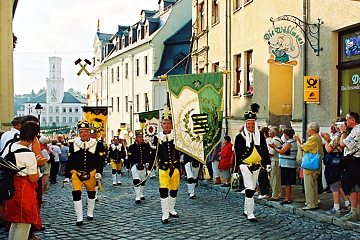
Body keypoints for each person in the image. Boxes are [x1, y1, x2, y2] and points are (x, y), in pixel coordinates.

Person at [4, 121, 41, 240]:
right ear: (34, 137)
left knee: (15, 223)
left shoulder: (11, 146)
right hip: (24, 190)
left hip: (10, 186)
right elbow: (33, 178)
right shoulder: (28, 154)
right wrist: (38, 163)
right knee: (24, 223)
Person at [234, 103, 270, 222]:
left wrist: (267, 163)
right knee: (249, 188)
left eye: (252, 124)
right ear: (245, 124)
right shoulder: (240, 137)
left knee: (252, 188)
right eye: (248, 124)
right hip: (245, 165)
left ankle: (246, 209)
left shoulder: (259, 136)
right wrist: (235, 170)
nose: (250, 126)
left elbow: (264, 150)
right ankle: (251, 213)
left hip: (257, 166)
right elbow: (237, 155)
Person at [63, 120, 104, 226]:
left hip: (91, 173)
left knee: (91, 193)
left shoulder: (97, 144)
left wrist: (99, 172)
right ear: (79, 133)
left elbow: (100, 160)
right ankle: (79, 217)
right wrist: (67, 175)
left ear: (89, 132)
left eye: (86, 131)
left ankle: (90, 213)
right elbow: (70, 160)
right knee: (76, 194)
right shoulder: (73, 144)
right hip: (76, 173)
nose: (84, 133)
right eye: (81, 132)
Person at [154, 109, 181, 224]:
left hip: (175, 167)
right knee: (163, 189)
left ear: (171, 125)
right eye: (164, 123)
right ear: (161, 125)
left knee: (174, 190)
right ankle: (165, 213)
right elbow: (153, 153)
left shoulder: (177, 136)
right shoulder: (157, 138)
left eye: (168, 123)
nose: (166, 125)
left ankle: (171, 209)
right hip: (163, 167)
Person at [320, 120, 351, 216]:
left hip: (334, 161)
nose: (333, 127)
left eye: (335, 125)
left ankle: (336, 206)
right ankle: (347, 202)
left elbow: (329, 149)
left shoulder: (339, 136)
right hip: (335, 160)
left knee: (334, 183)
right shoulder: (340, 135)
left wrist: (326, 140)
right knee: (338, 183)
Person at [294, 122, 324, 210]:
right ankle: (315, 202)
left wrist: (298, 141)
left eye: (308, 129)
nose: (307, 131)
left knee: (309, 185)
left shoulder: (313, 138)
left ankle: (310, 203)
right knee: (314, 184)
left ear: (312, 130)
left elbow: (303, 147)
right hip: (316, 163)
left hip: (310, 164)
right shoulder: (318, 137)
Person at [339, 111, 360, 221]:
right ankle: (356, 210)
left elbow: (343, 144)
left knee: (352, 185)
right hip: (354, 161)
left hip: (354, 161)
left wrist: (343, 132)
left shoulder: (357, 130)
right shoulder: (355, 130)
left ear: (353, 120)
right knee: (355, 186)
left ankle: (354, 211)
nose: (345, 122)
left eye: (347, 119)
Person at [269, 128, 297, 205]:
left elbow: (281, 151)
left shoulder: (289, 143)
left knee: (287, 182)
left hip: (287, 164)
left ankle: (287, 198)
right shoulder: (293, 142)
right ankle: (289, 197)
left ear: (287, 135)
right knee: (289, 182)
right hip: (290, 164)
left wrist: (274, 147)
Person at [126, 129, 154, 204]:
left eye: (141, 137)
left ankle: (141, 193)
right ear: (136, 138)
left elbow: (151, 156)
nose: (141, 138)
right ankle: (137, 196)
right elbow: (129, 157)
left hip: (144, 166)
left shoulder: (147, 146)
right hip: (135, 166)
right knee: (136, 180)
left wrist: (150, 166)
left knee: (143, 181)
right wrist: (128, 166)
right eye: (139, 137)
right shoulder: (132, 147)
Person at [267, 126, 283, 201]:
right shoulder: (277, 139)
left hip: (275, 161)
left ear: (273, 133)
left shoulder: (274, 140)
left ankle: (275, 194)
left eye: (270, 131)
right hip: (277, 161)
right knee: (276, 179)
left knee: (274, 179)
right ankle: (278, 193)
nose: (268, 132)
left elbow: (271, 153)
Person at [258, 127, 271, 199]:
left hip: (263, 161)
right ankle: (262, 191)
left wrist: (267, 162)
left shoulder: (265, 141)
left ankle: (265, 192)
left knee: (264, 177)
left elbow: (265, 152)